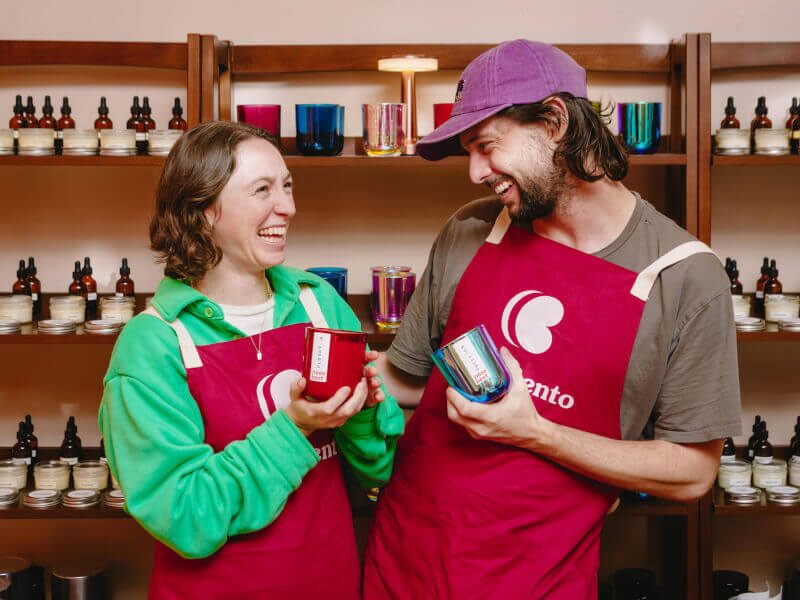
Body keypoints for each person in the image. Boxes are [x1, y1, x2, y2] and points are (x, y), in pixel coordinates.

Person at [363, 40, 741, 599]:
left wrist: (535, 433)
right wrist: (333, 374)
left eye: (487, 146)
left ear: (555, 122)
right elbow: (410, 381)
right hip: (405, 558)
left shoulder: (683, 276)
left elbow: (691, 472)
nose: (474, 172)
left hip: (540, 577)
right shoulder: (470, 232)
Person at [98, 121, 404, 599]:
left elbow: (375, 470)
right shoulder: (154, 344)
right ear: (202, 210)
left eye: (286, 186)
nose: (288, 206)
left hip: (331, 583)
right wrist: (296, 426)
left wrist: (362, 414)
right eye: (262, 189)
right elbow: (186, 516)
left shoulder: (317, 302)